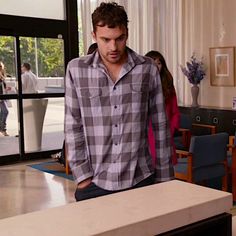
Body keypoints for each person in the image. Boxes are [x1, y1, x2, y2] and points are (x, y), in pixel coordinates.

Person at [65, 2, 174, 202]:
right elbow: (73, 126)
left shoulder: (147, 68)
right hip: (95, 181)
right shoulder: (76, 69)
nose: (113, 47)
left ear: (127, 34)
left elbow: (160, 125)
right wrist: (82, 176)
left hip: (141, 177)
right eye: (105, 39)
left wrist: (165, 176)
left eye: (119, 39)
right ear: (94, 36)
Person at [52, 43, 98, 166]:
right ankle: (64, 157)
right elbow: (72, 120)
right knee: (73, 132)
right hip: (85, 125)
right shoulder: (77, 71)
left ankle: (62, 156)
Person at [145, 50, 180, 165]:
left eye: (159, 63)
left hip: (164, 131)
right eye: (153, 63)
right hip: (146, 133)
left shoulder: (168, 85)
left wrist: (172, 128)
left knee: (165, 167)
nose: (156, 66)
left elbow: (175, 111)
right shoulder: (140, 84)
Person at [0, 61, 10, 136]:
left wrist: (7, 89)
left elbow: (3, 87)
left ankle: (2, 129)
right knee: (5, 111)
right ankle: (3, 129)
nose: (1, 68)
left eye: (1, 66)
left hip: (3, 96)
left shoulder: (2, 75)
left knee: (3, 112)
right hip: (1, 96)